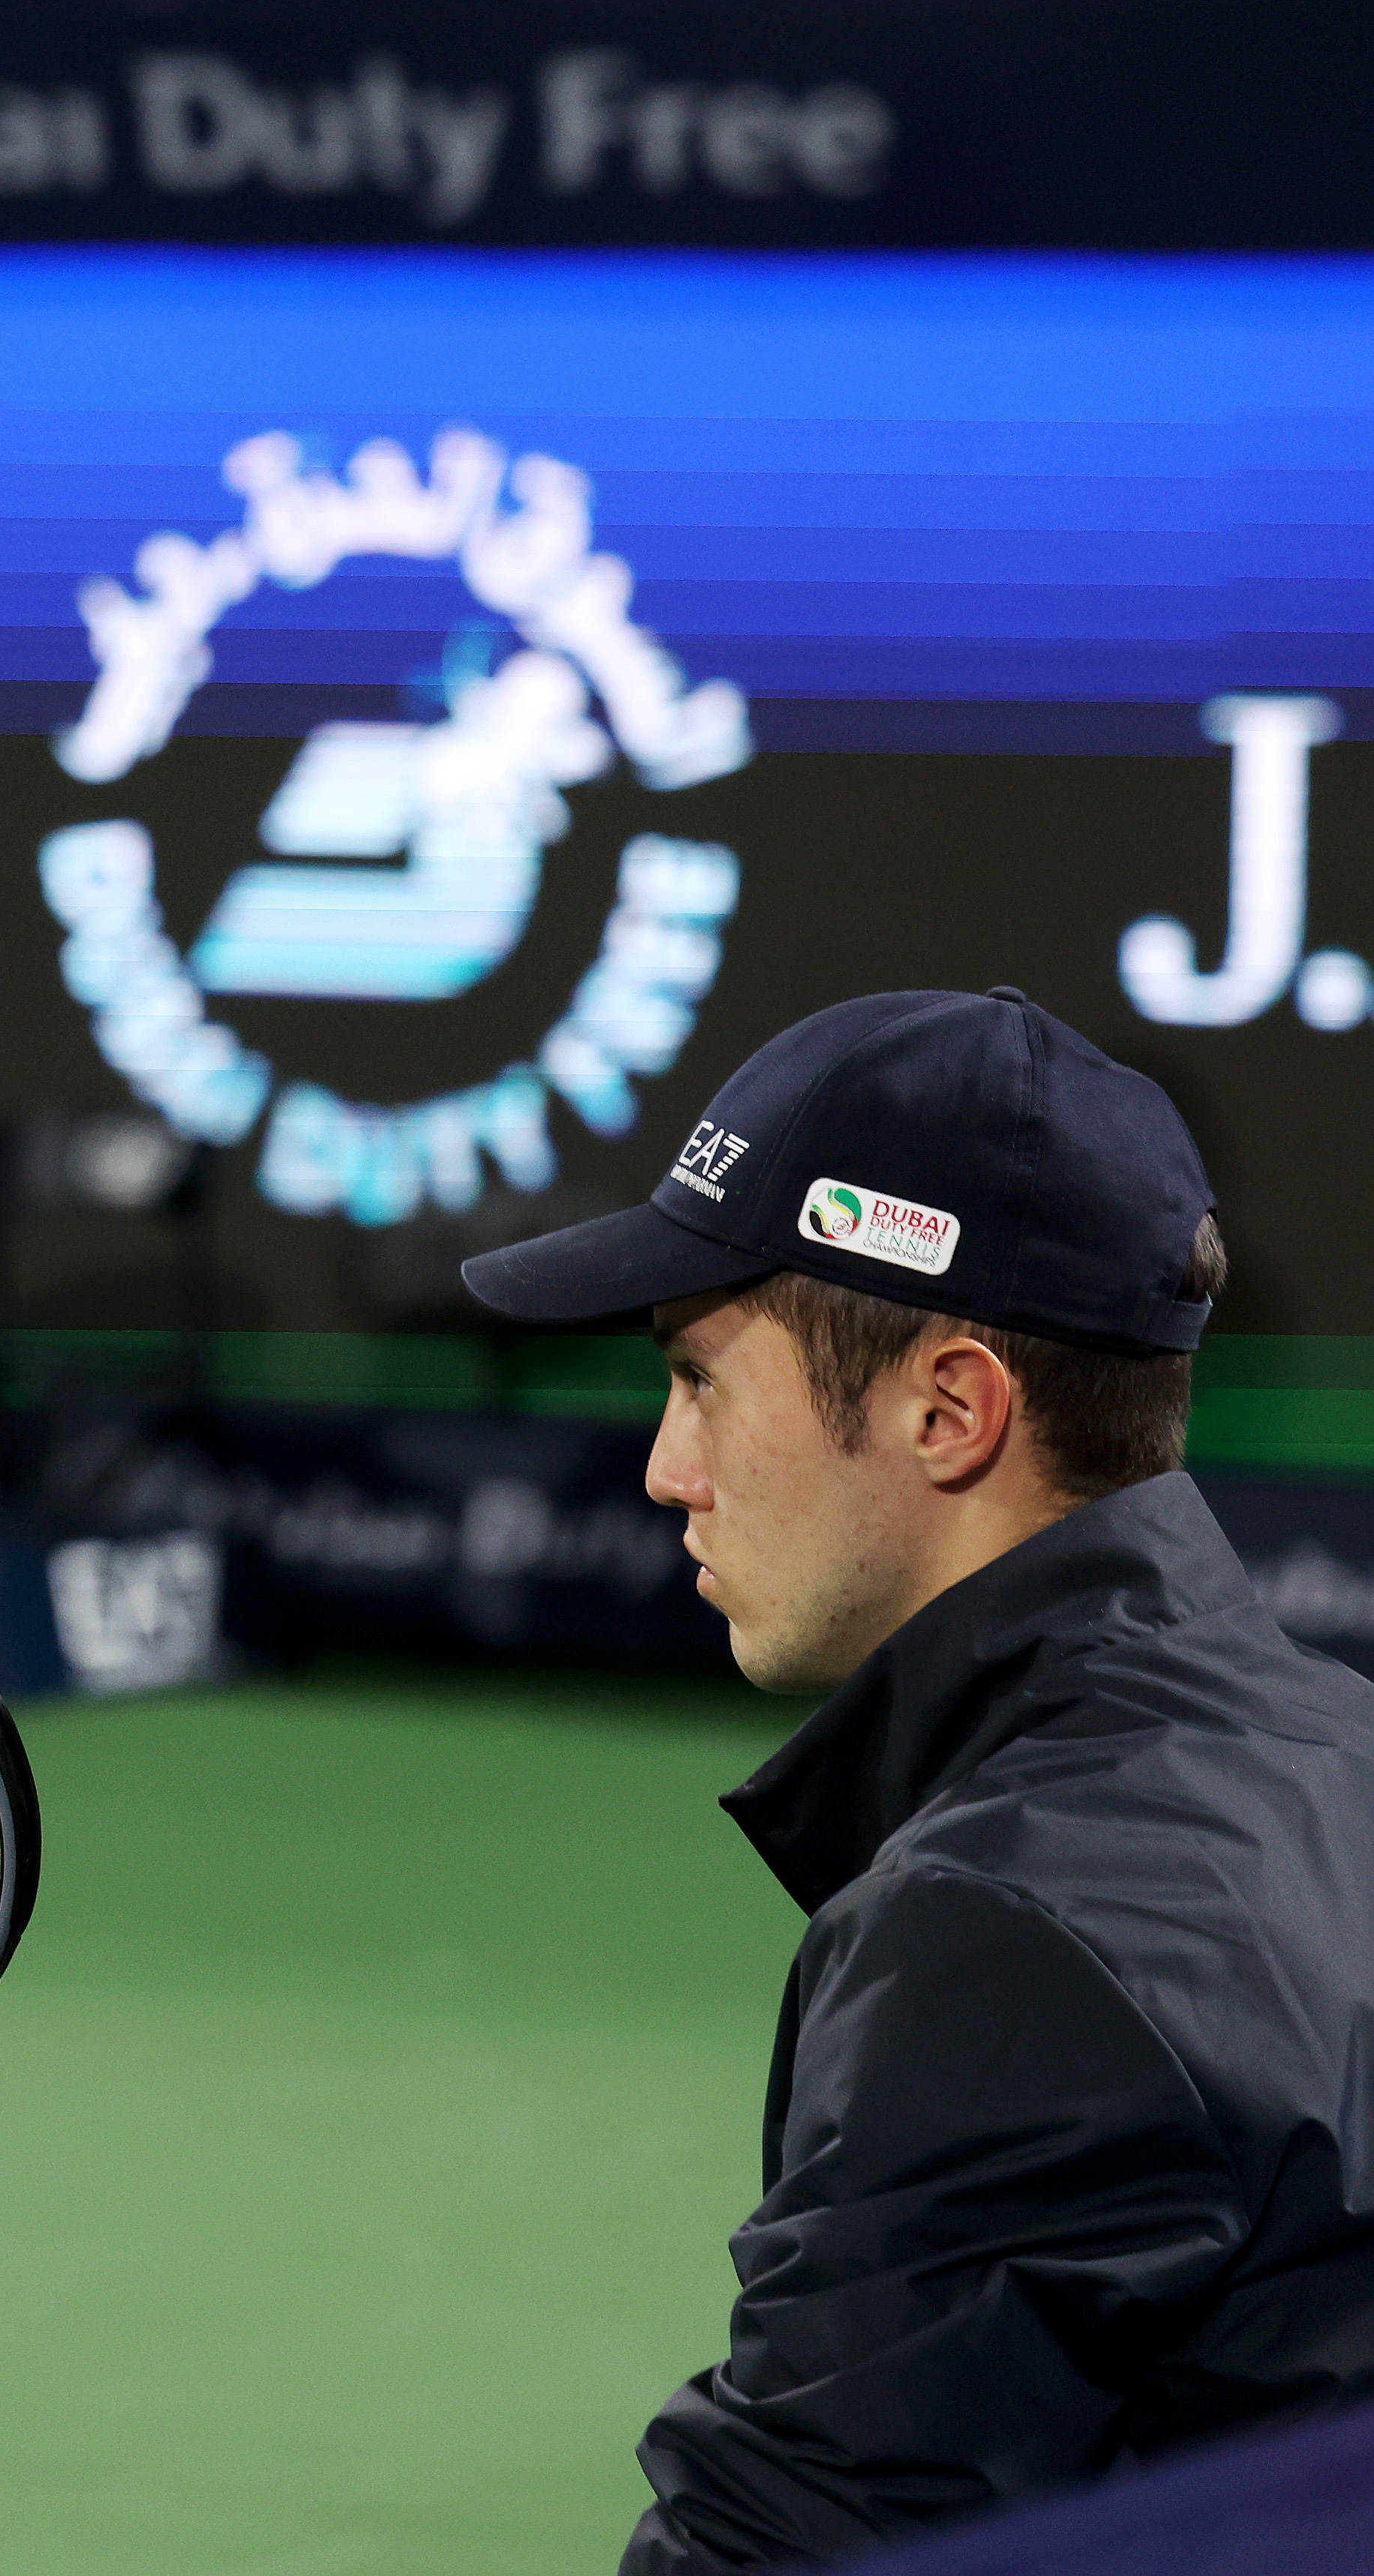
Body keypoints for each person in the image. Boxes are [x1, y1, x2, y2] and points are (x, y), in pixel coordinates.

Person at [458, 987, 1374, 2571]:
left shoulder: (1009, 1930)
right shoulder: (1341, 1748)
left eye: (700, 1379)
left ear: (947, 1409)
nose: (670, 1468)